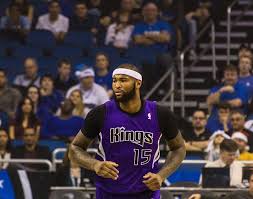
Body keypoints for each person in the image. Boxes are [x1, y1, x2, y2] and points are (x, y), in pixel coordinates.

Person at [69, 64, 186, 198]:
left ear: (138, 83)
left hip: (146, 193)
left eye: (123, 80)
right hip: (108, 193)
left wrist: (161, 175)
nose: (117, 85)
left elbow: (179, 148)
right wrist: (95, 164)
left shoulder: (160, 113)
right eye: (114, 80)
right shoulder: (100, 113)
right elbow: (74, 149)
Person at [189, 172, 253, 199]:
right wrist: (201, 196)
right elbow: (219, 198)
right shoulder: (238, 195)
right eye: (252, 181)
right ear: (249, 182)